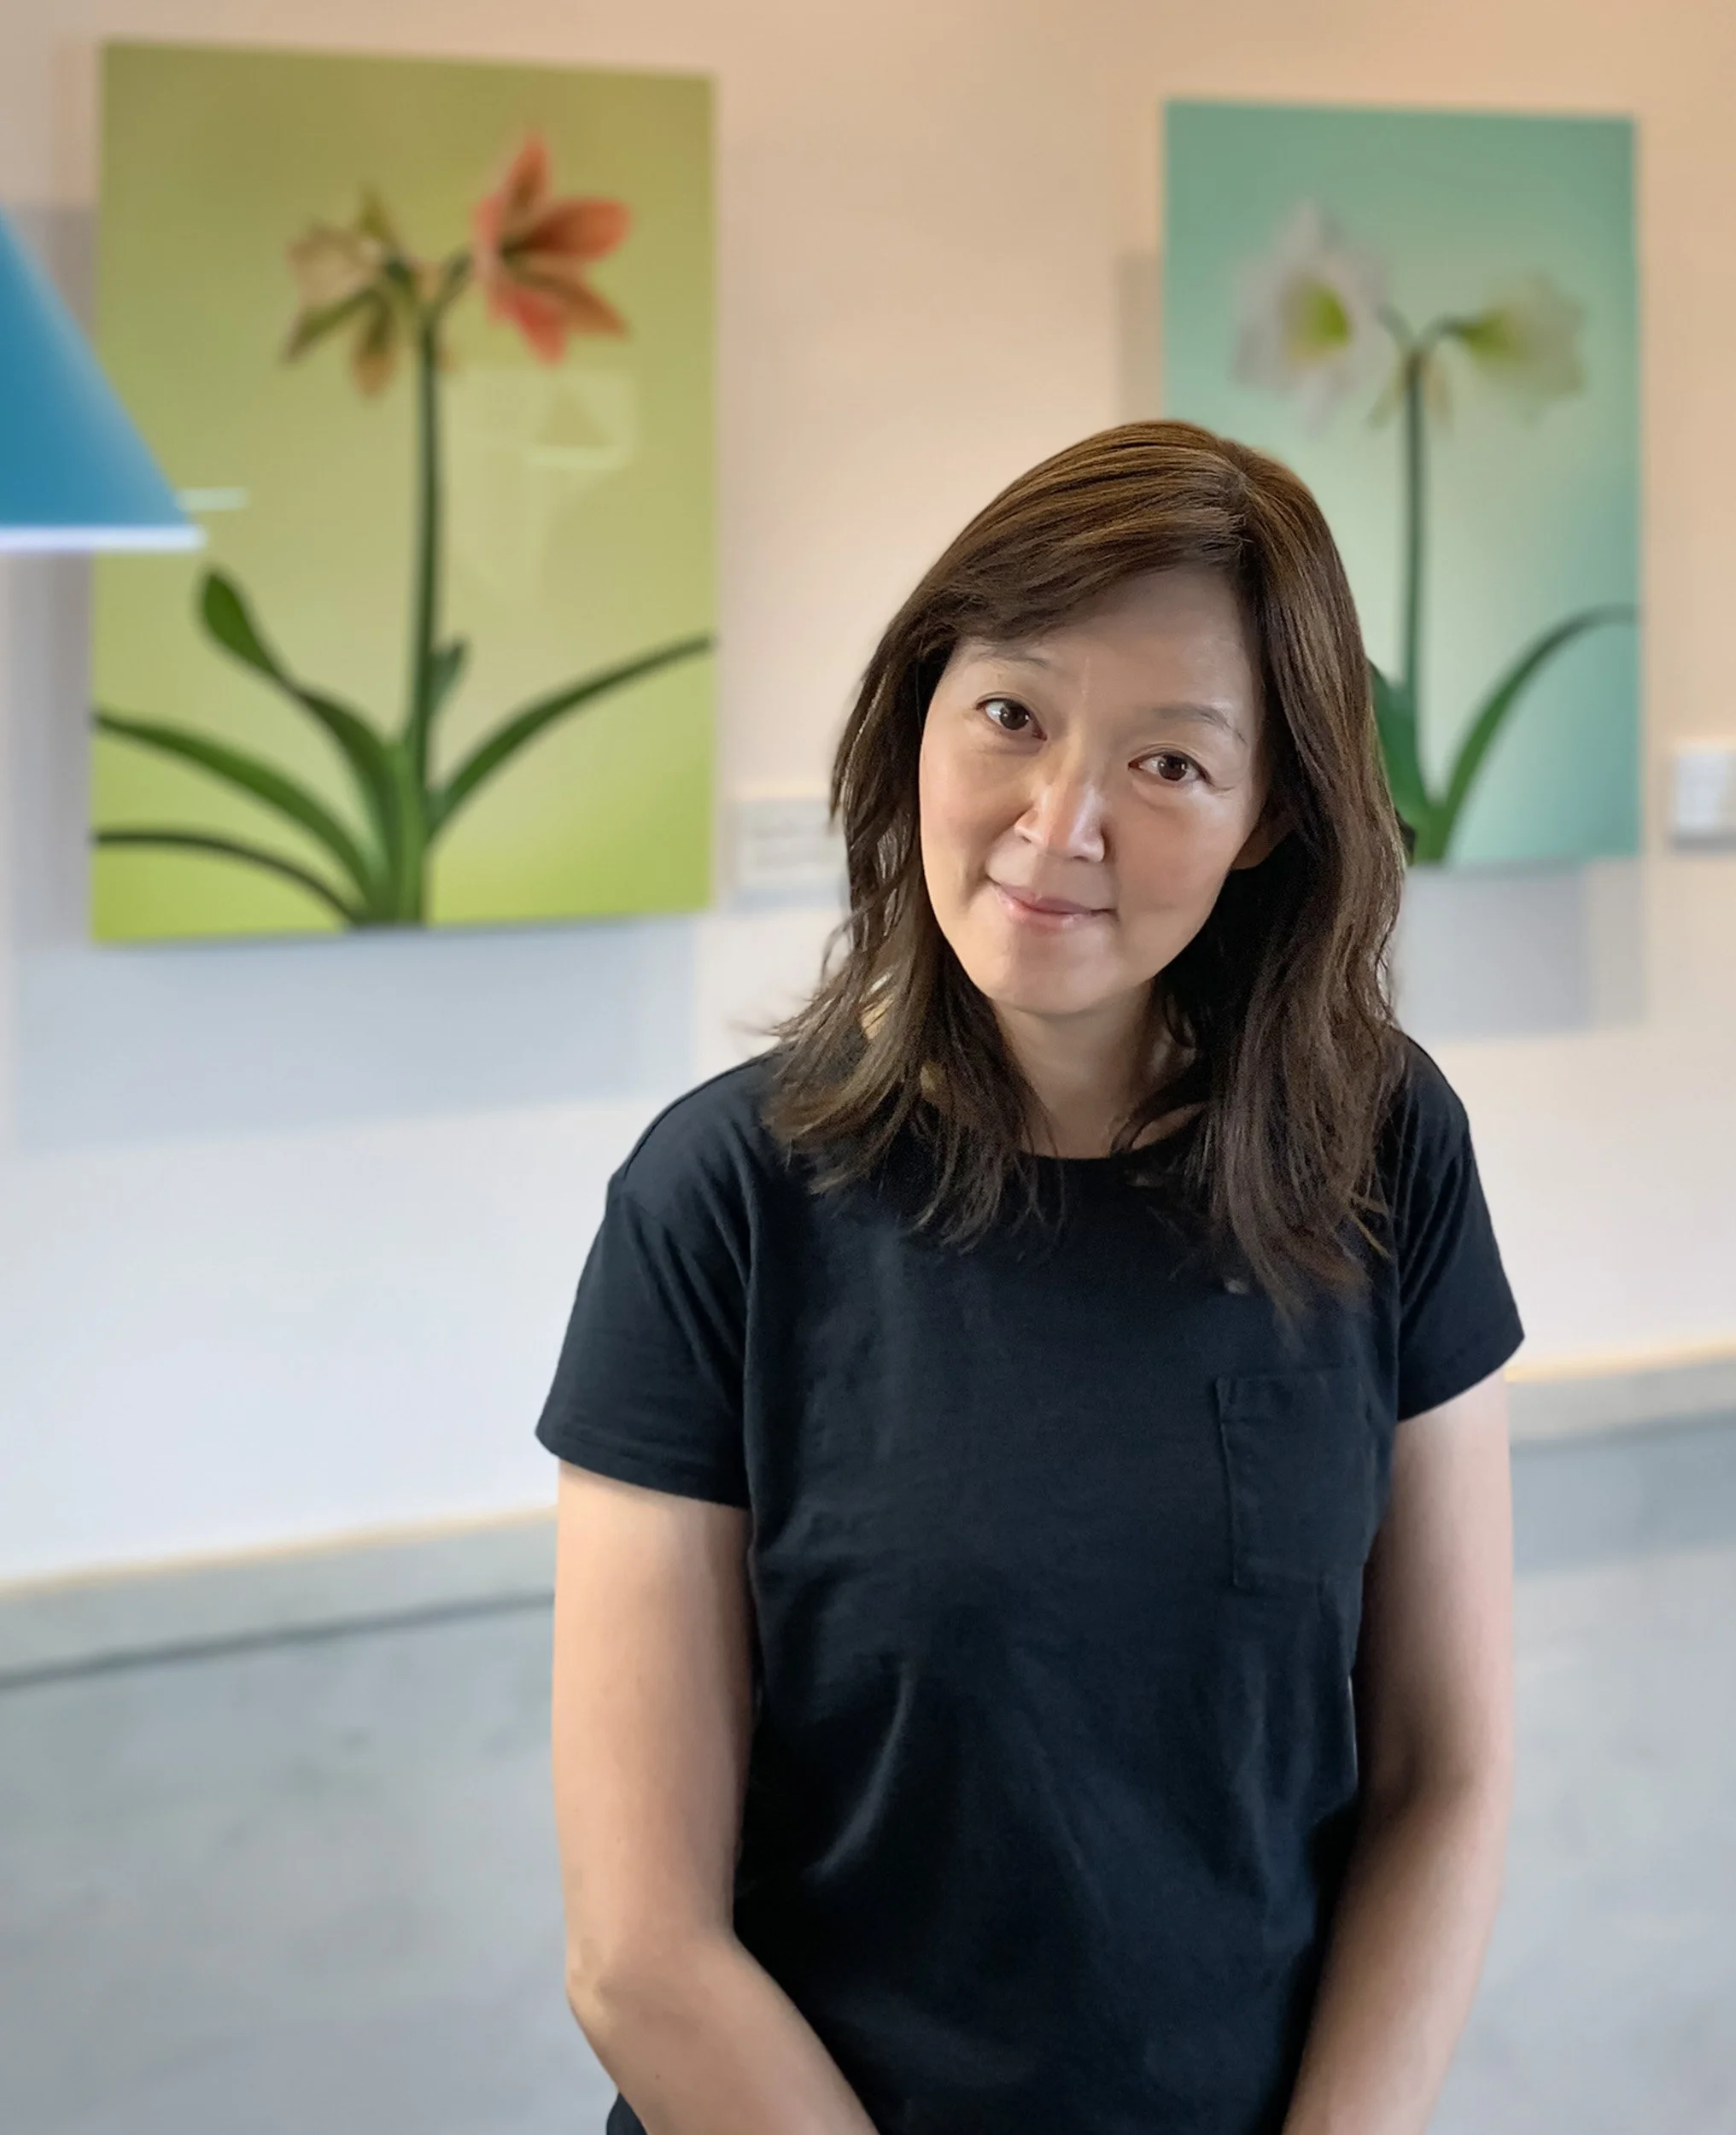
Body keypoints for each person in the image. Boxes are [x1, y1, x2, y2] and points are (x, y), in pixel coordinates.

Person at [535, 419, 1523, 2135]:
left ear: (1266, 812)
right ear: (920, 708)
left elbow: (1440, 1770)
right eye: (1011, 712)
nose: (1057, 821)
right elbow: (639, 1950)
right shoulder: (719, 1202)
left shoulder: (1384, 1151)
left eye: (1168, 763)